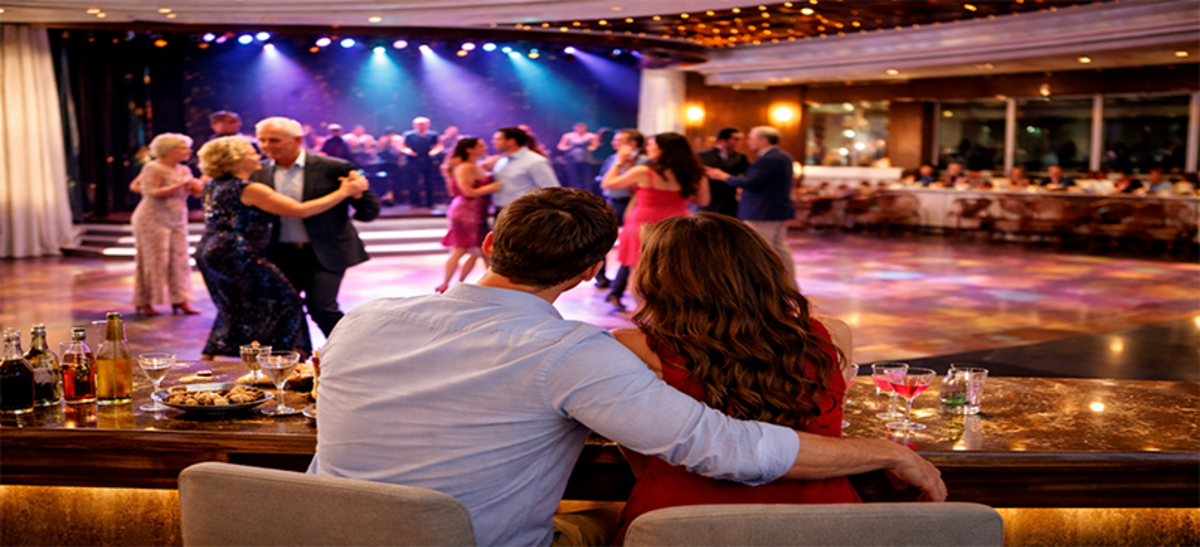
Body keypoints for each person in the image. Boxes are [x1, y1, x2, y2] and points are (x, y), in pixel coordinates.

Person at [309, 188, 947, 547]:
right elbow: (723, 447)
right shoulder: (569, 353)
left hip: (315, 533)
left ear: (488, 245)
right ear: (590, 270)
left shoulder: (363, 319)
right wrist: (886, 451)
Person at [610, 213, 861, 544]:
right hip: (816, 519)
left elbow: (639, 460)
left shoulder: (633, 348)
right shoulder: (831, 335)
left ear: (660, 280)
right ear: (762, 269)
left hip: (682, 518)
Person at [194, 136, 369, 358]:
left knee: (235, 305)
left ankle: (216, 355)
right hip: (239, 254)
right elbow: (301, 210)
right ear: (236, 161)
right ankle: (289, 358)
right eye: (252, 152)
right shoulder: (250, 189)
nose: (259, 155)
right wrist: (344, 192)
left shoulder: (212, 184)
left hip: (211, 251)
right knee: (287, 302)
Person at [252, 117, 383, 338]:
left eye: (274, 140)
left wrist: (357, 194)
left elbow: (369, 211)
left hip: (325, 252)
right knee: (283, 311)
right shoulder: (258, 172)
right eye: (262, 140)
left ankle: (351, 353)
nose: (266, 146)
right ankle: (293, 362)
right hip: (279, 254)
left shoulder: (333, 167)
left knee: (321, 308)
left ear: (298, 140)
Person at [601, 132, 710, 311]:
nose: (648, 148)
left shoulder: (644, 172)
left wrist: (619, 161)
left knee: (640, 271)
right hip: (677, 222)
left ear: (663, 150)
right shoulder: (696, 174)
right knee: (672, 270)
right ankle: (668, 311)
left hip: (644, 222)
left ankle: (645, 311)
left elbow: (608, 184)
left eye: (652, 145)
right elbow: (702, 201)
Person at [705, 126, 798, 289]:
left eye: (750, 138)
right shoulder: (783, 156)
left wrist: (723, 176)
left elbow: (752, 183)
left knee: (761, 250)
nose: (747, 142)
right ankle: (788, 286)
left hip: (762, 211)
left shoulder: (768, 159)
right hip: (775, 209)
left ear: (764, 140)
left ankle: (767, 288)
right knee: (779, 248)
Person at [129, 133, 204, 316]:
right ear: (168, 150)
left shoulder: (184, 169)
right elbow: (152, 192)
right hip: (152, 218)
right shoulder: (153, 167)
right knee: (154, 261)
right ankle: (145, 301)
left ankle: (181, 300)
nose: (188, 151)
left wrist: (197, 185)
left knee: (180, 261)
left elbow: (195, 193)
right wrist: (181, 185)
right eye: (183, 148)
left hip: (177, 218)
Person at [437, 138, 501, 294]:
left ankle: (458, 284)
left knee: (478, 250)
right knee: (461, 248)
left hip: (478, 212)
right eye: (480, 145)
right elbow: (468, 192)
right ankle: (446, 284)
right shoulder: (464, 167)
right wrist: (495, 186)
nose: (485, 146)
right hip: (466, 212)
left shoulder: (475, 165)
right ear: (469, 149)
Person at [593, 129, 648, 290]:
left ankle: (621, 283)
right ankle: (601, 276)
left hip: (631, 202)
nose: (614, 142)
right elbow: (604, 179)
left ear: (633, 143)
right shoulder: (612, 158)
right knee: (601, 238)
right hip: (611, 201)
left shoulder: (644, 162)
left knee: (630, 241)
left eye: (619, 140)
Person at [490, 126, 561, 213]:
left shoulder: (535, 161)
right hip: (501, 210)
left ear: (511, 141)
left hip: (522, 212)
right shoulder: (501, 161)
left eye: (498, 139)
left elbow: (551, 189)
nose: (493, 142)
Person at [697, 128, 749, 217]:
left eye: (741, 139)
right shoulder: (702, 156)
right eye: (736, 139)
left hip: (731, 204)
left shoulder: (741, 157)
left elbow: (747, 177)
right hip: (709, 202)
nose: (740, 142)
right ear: (723, 140)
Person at [399, 117, 444, 208]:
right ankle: (415, 202)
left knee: (429, 181)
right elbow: (402, 146)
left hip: (428, 159)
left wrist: (434, 152)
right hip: (413, 160)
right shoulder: (408, 135)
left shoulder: (433, 135)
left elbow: (439, 145)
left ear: (428, 124)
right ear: (414, 125)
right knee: (413, 181)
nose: (421, 126)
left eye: (423, 124)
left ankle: (430, 203)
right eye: (419, 124)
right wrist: (409, 152)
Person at [557, 122, 600, 192]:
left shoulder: (590, 136)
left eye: (582, 128)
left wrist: (592, 146)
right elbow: (560, 146)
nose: (580, 129)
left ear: (585, 128)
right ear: (575, 128)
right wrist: (568, 147)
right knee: (572, 176)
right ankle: (572, 191)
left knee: (586, 177)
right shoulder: (568, 136)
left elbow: (595, 145)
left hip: (585, 159)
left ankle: (587, 191)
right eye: (579, 128)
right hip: (572, 158)